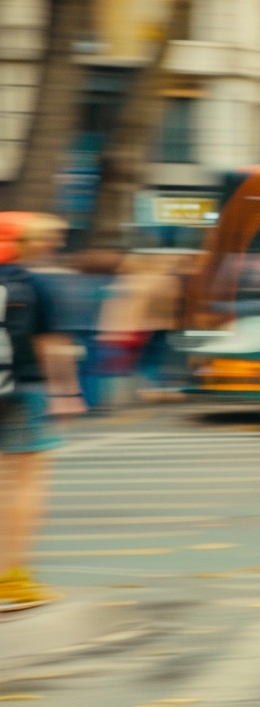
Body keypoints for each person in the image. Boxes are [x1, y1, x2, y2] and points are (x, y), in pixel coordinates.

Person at [0, 212, 71, 608]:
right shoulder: (32, 283)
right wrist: (66, 391)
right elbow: (50, 343)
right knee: (25, 483)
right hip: (24, 388)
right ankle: (13, 578)